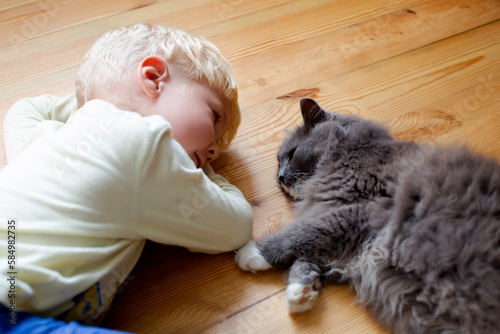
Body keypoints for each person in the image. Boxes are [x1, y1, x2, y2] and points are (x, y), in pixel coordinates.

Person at [0, 23, 253, 333]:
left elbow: (24, 109)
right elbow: (236, 227)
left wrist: (93, 105)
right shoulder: (147, 147)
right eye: (214, 117)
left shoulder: (49, 139)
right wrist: (207, 173)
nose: (213, 150)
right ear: (153, 77)